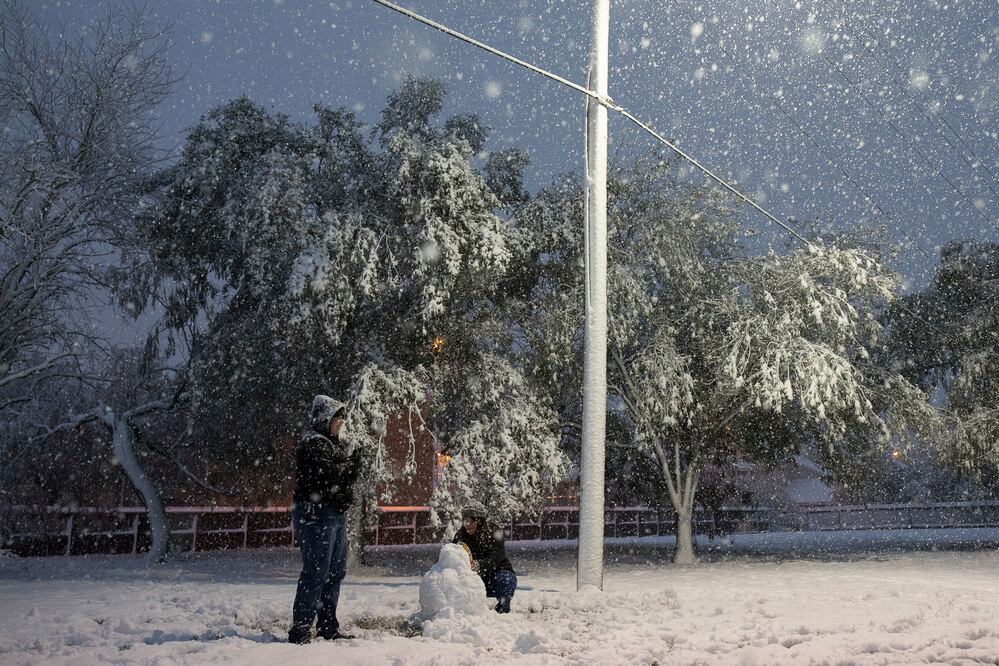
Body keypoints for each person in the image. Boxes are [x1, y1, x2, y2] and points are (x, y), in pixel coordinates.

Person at [288, 395, 361, 644]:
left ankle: (327, 625)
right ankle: (300, 629)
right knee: (317, 571)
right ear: (324, 419)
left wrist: (347, 469)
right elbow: (330, 477)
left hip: (335, 514)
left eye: (342, 418)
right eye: (336, 418)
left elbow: (343, 477)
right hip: (316, 515)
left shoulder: (334, 445)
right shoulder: (315, 443)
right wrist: (349, 467)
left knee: (336, 571)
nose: (340, 422)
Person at [452, 501, 517, 613]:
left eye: (471, 521)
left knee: (506, 579)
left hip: (495, 575)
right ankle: (462, 609)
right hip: (473, 578)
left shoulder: (494, 533)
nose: (468, 525)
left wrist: (478, 565)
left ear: (480, 521)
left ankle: (503, 607)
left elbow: (495, 559)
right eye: (466, 521)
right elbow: (452, 554)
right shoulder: (461, 536)